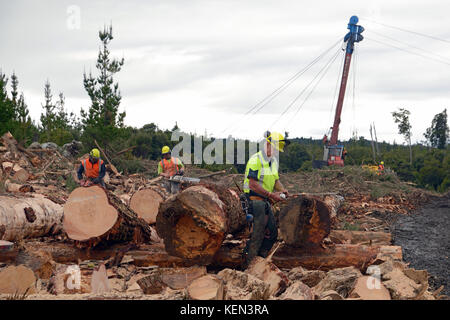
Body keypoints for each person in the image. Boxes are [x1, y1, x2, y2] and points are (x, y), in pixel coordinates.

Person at [242, 131, 289, 267]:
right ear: (267, 144)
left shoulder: (272, 162)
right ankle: (247, 263)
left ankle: (260, 260)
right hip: (254, 200)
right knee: (259, 232)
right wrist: (271, 195)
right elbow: (253, 184)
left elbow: (275, 181)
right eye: (274, 149)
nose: (275, 153)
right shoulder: (256, 160)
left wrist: (282, 190)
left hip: (265, 201)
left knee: (272, 233)